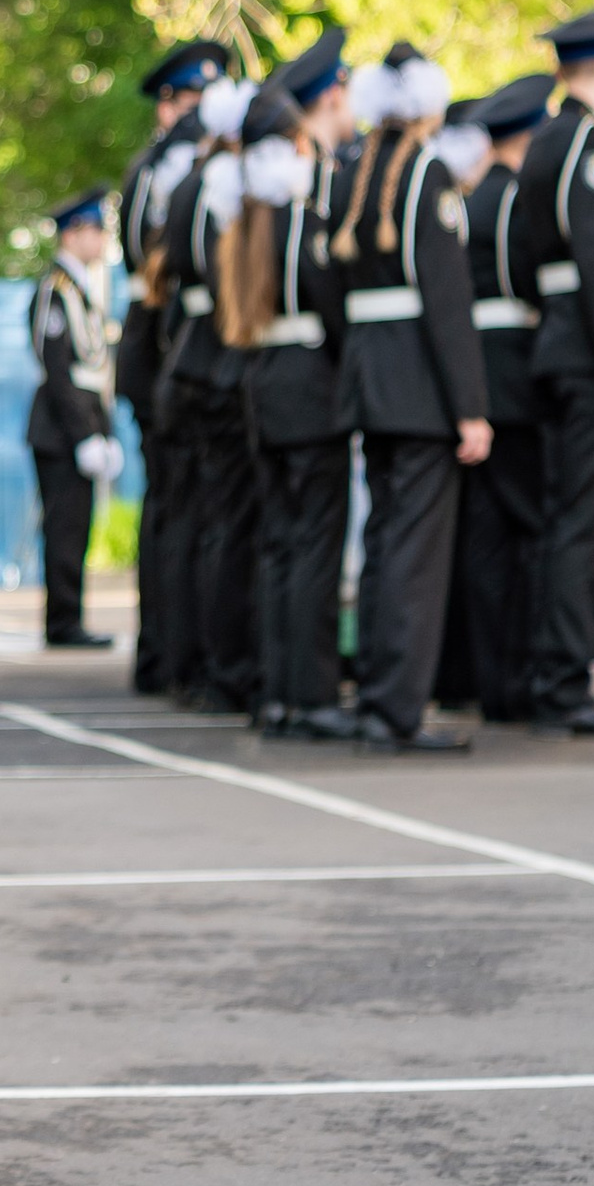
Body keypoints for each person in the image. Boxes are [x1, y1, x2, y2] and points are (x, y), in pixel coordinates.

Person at [326, 43, 489, 753]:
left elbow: (331, 285)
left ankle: (376, 694)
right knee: (416, 553)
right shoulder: (428, 173)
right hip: (420, 385)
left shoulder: (352, 170)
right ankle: (399, 707)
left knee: (386, 541)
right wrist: (471, 407)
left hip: (368, 376)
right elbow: (448, 302)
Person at [221, 39, 351, 738]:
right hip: (309, 386)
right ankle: (313, 692)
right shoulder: (300, 216)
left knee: (277, 544)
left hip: (261, 384)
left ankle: (274, 693)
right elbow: (329, 306)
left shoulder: (242, 221)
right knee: (314, 546)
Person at [506, 9, 594, 737]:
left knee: (561, 516)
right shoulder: (589, 140)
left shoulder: (544, 140)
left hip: (552, 344)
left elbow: (521, 252)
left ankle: (550, 669)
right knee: (587, 521)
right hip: (586, 355)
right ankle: (564, 678)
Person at [115, 43, 227, 696]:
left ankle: (170, 653)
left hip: (166, 346)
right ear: (170, 106)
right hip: (163, 345)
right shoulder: (161, 169)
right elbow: (151, 262)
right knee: (178, 509)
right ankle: (172, 655)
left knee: (181, 509)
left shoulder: (172, 165)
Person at [447, 71, 555, 724]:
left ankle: (489, 678)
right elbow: (530, 282)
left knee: (484, 540)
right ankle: (520, 676)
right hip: (515, 373)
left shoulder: (467, 202)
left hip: (479, 374)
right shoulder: (514, 200)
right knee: (529, 533)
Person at [151, 76, 261, 711]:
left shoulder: (190, 179)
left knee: (204, 523)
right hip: (220, 360)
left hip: (190, 357)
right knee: (228, 525)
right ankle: (225, 666)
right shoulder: (221, 183)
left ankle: (193, 659)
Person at [26, 193, 124, 647]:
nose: (102, 239)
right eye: (95, 230)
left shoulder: (82, 288)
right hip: (59, 433)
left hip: (79, 428)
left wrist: (105, 432)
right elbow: (60, 370)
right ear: (73, 233)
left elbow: (94, 373)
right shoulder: (56, 289)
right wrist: (85, 435)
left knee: (77, 529)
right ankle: (63, 622)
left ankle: (70, 617)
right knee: (64, 530)